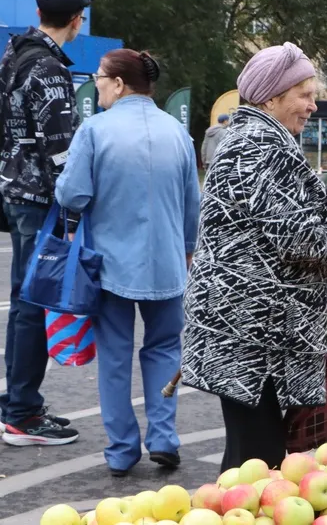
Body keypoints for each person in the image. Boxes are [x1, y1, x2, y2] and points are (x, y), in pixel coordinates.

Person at [180, 43, 327, 471]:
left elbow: (266, 232)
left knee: (251, 454)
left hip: (245, 326)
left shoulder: (250, 139)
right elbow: (290, 232)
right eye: (304, 94)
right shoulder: (262, 144)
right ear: (270, 97)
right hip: (252, 330)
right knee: (258, 458)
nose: (313, 105)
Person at [55, 50, 200, 475]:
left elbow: (72, 195)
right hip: (169, 265)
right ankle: (164, 437)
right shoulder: (178, 133)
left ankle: (122, 450)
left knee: (115, 357)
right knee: (164, 350)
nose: (96, 84)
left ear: (118, 84)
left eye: (99, 77)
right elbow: (193, 206)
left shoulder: (95, 130)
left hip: (110, 267)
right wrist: (186, 250)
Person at [0, 0, 90, 446]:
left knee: (22, 301)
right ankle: (23, 414)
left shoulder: (12, 55)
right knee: (35, 302)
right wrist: (75, 209)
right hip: (40, 199)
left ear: (38, 12)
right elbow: (61, 153)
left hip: (14, 191)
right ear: (77, 20)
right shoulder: (50, 69)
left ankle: (16, 401)